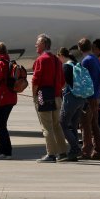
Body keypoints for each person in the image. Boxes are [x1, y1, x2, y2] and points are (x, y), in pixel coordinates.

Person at [31, 33, 67, 163]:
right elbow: (63, 81)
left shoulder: (41, 59)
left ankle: (51, 154)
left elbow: (35, 80)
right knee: (57, 125)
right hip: (57, 96)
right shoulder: (57, 60)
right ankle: (62, 152)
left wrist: (34, 95)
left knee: (46, 126)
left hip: (42, 95)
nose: (36, 45)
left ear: (44, 45)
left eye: (38, 43)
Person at [77, 38, 100, 160]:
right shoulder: (97, 60)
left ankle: (86, 151)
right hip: (96, 96)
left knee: (85, 125)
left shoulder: (85, 61)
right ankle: (98, 150)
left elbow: (84, 81)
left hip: (88, 97)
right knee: (94, 125)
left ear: (79, 48)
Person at [57, 47, 84, 162]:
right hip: (81, 99)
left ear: (61, 56)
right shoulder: (78, 65)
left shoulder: (66, 66)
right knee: (73, 125)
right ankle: (74, 153)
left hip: (71, 98)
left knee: (63, 124)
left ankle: (75, 149)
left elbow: (63, 85)